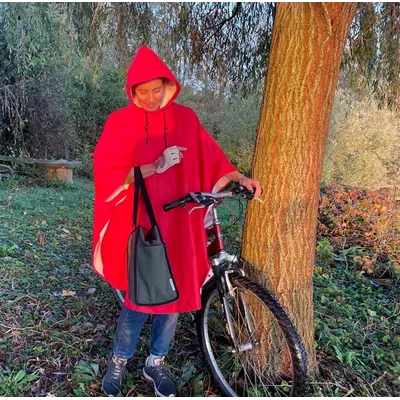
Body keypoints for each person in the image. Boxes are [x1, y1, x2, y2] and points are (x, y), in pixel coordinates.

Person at [92, 46, 261, 397]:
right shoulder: (120, 123)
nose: (151, 98)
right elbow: (108, 172)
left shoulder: (185, 118)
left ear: (167, 85)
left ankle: (155, 363)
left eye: (157, 89)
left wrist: (240, 177)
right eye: (143, 92)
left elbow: (210, 153)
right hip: (144, 222)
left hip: (182, 223)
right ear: (132, 91)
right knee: (140, 297)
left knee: (177, 293)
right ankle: (119, 361)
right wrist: (156, 165)